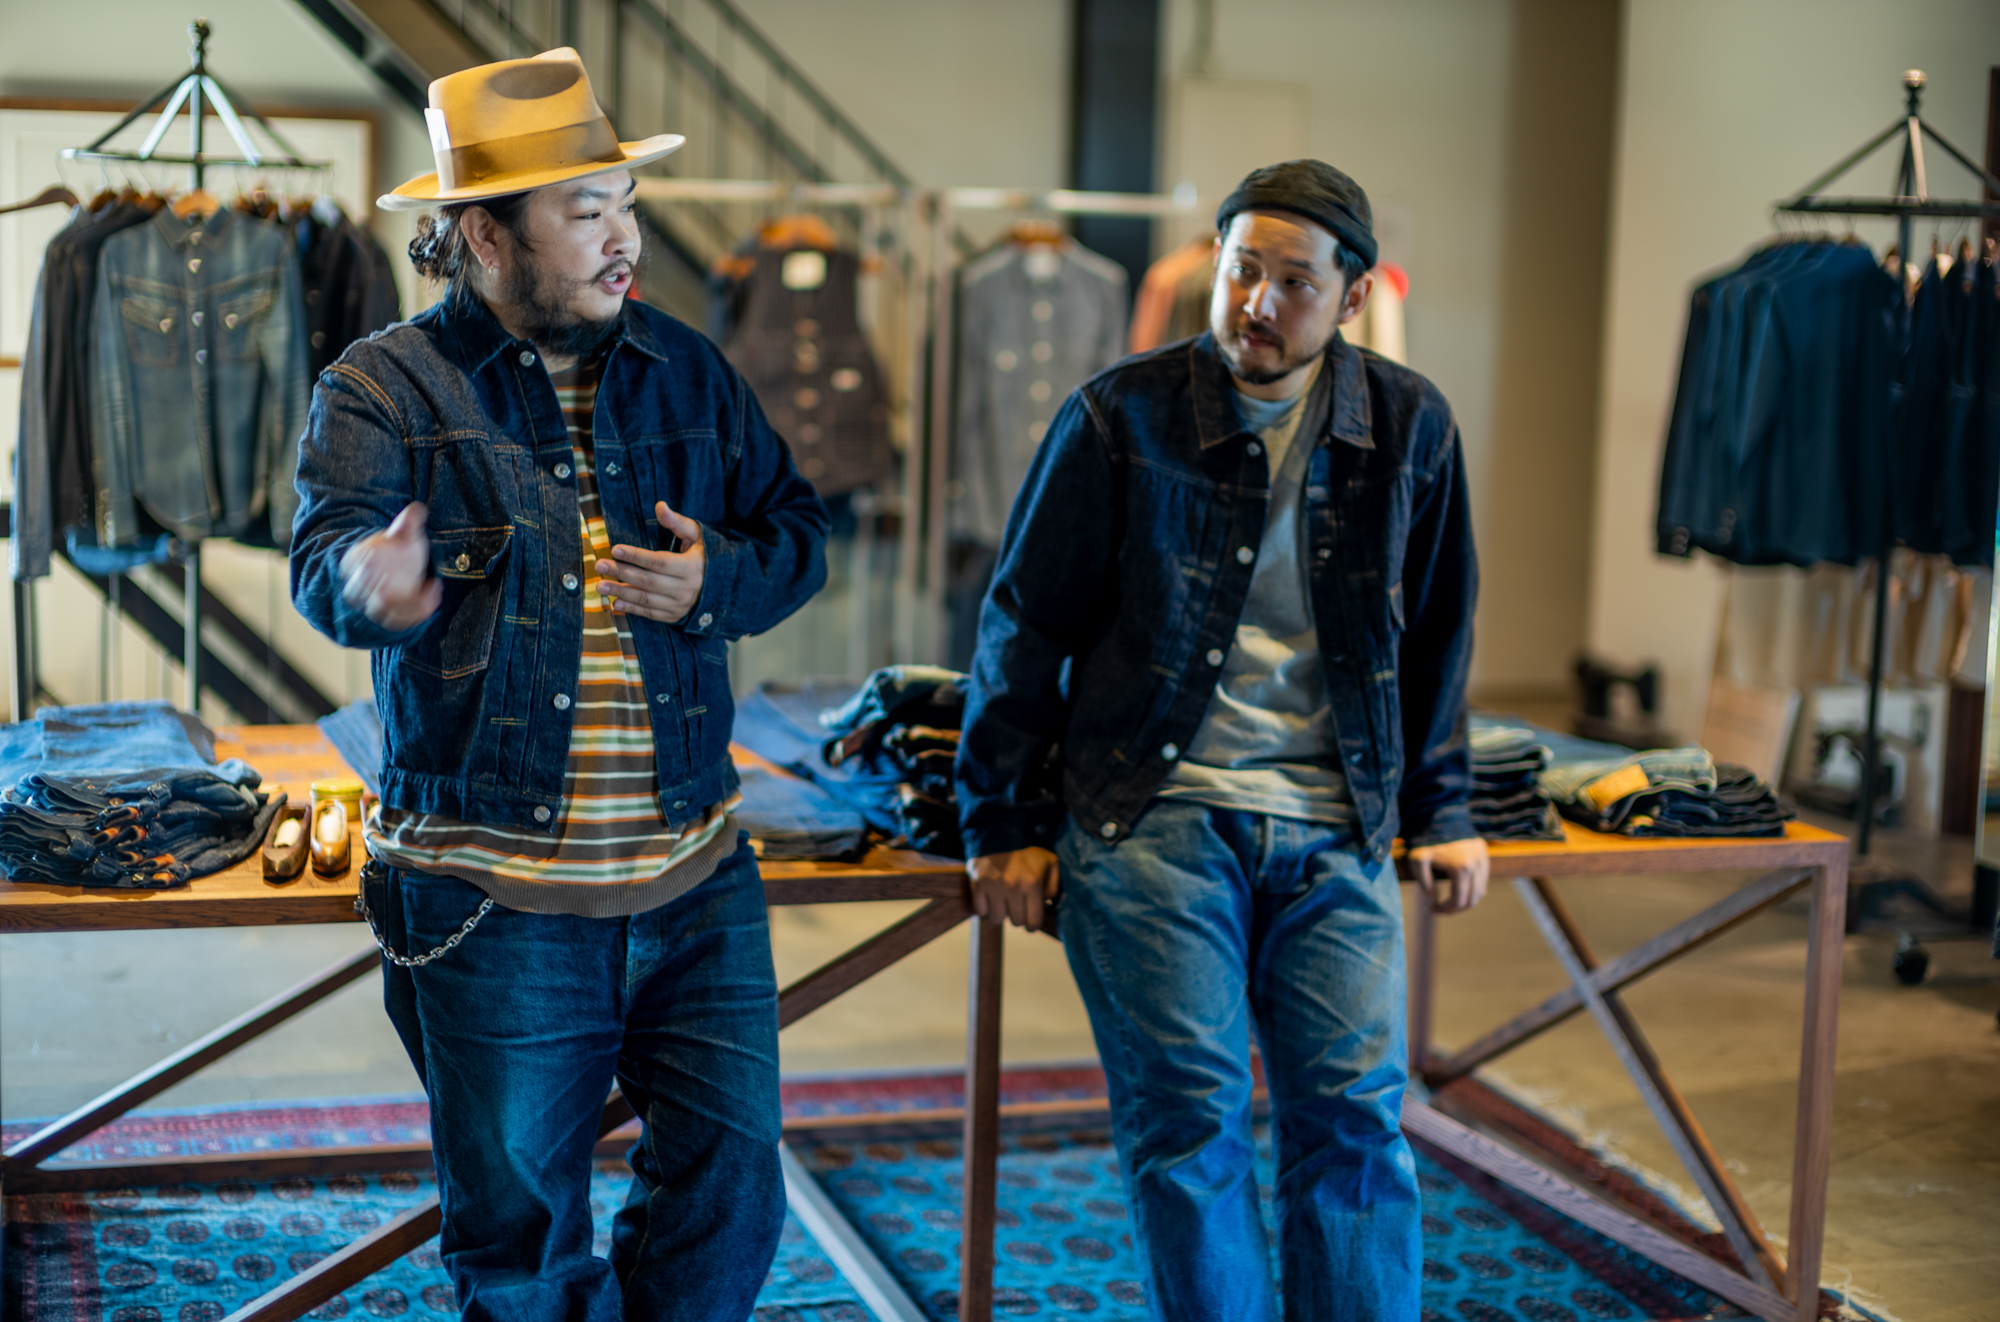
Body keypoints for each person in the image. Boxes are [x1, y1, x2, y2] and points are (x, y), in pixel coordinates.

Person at [290, 48, 828, 1321]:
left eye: (625, 205)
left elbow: (796, 531)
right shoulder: (382, 386)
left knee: (732, 1188)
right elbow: (325, 562)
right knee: (524, 1240)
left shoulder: (688, 368)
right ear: (484, 236)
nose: (623, 237)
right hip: (493, 899)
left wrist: (715, 582)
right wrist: (371, 586)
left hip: (695, 875)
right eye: (586, 212)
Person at [957, 159, 1489, 1320]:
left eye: (1293, 281)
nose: (1256, 301)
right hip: (1153, 812)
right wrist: (999, 819)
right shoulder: (1120, 414)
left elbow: (1439, 634)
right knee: (1189, 1119)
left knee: (1354, 1120)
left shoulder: (1410, 425)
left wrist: (1442, 806)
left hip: (1333, 819)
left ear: (1353, 296)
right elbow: (1022, 621)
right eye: (1241, 268)